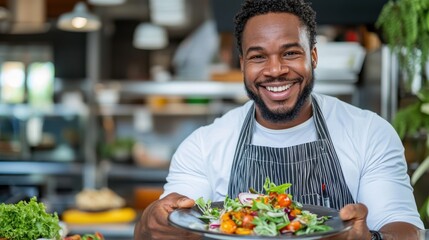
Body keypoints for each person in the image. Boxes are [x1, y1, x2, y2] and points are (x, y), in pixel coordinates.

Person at [134, 0, 424, 239]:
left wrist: (370, 239)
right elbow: (168, 227)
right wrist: (152, 222)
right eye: (258, 57)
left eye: (290, 53)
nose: (275, 70)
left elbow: (405, 229)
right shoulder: (203, 145)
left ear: (313, 56)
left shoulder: (369, 132)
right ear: (243, 65)